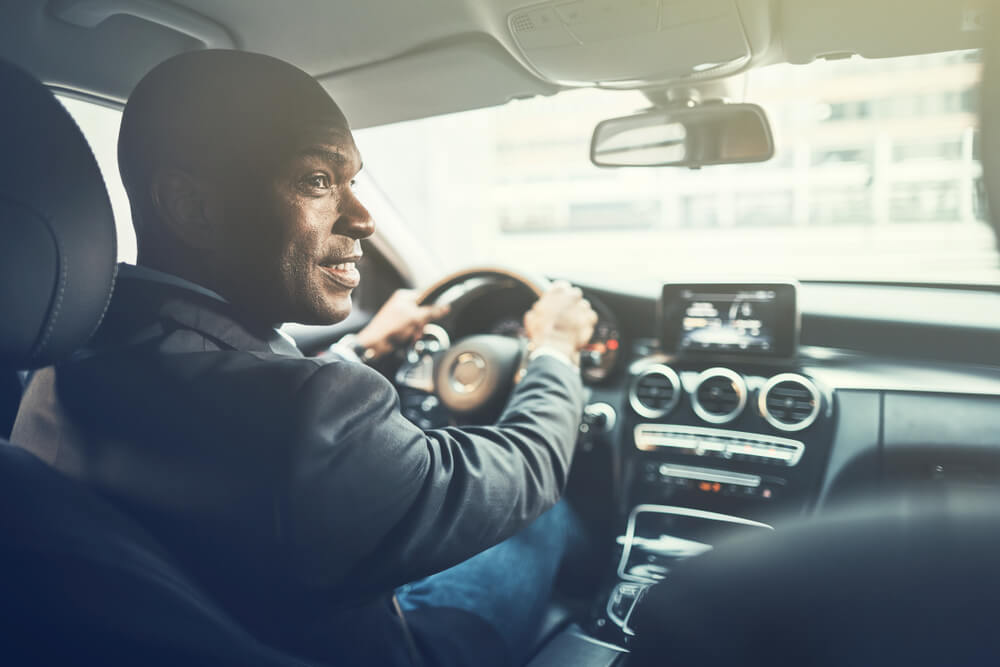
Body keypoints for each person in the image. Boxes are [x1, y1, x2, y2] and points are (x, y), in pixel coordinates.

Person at [12, 50, 597, 666]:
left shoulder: (63, 354)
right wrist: (555, 351)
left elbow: (243, 399)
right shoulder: (308, 418)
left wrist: (363, 348)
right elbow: (528, 468)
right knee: (542, 518)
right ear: (192, 209)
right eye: (318, 180)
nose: (364, 218)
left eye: (353, 182)